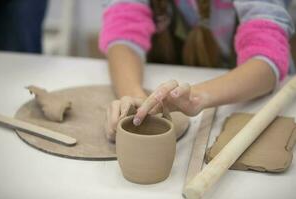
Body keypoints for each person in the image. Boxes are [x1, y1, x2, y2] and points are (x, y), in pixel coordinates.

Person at [99, 0, 295, 141]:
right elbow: (123, 27)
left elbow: (267, 59)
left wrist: (198, 96)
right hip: (173, 73)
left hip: (247, 88)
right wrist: (135, 98)